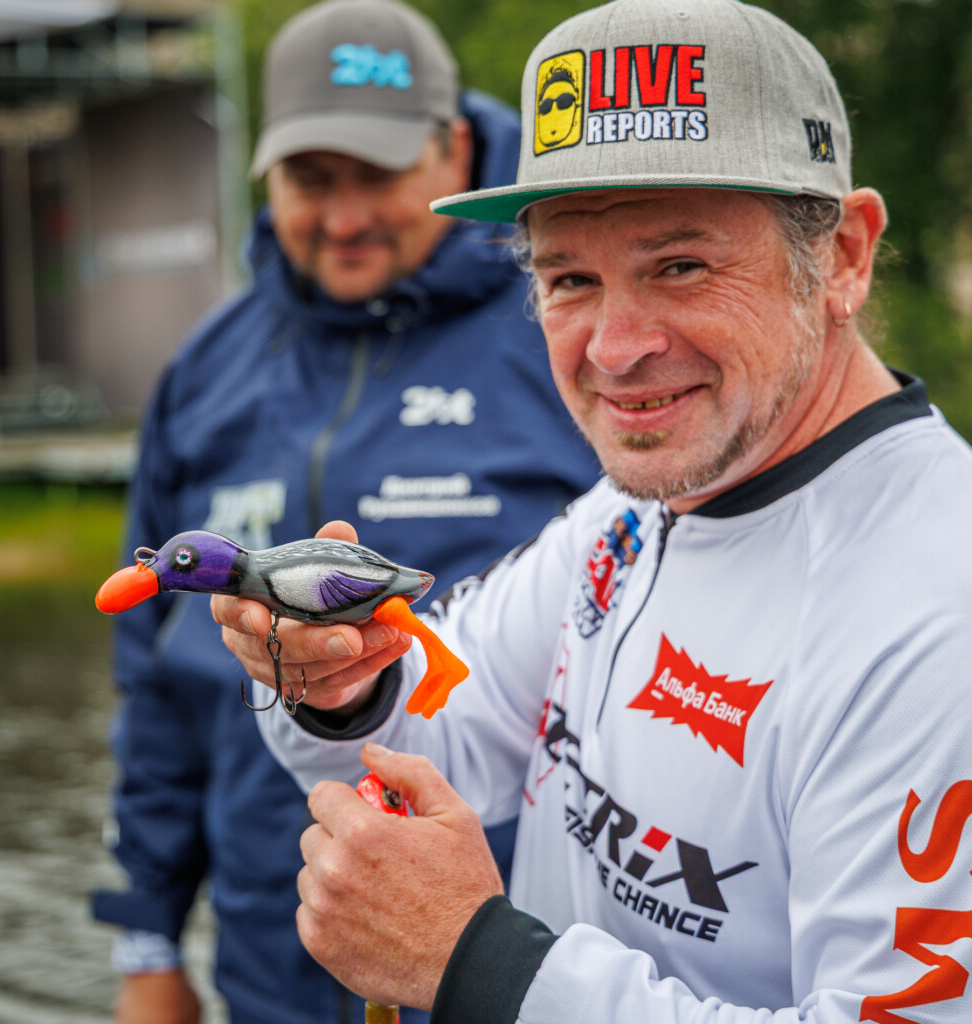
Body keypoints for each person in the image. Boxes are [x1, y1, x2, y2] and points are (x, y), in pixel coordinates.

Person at [214, 1, 972, 1022]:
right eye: (569, 277)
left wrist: (479, 965)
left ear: (842, 255)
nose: (614, 348)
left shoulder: (938, 619)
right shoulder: (638, 503)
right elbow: (440, 734)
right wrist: (338, 681)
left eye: (680, 266)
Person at [90, 0, 599, 1021]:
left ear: (454, 151)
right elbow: (155, 683)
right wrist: (146, 941)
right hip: (267, 958)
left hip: (504, 959)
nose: (344, 215)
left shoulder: (569, 333)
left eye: (376, 174)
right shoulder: (205, 371)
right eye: (311, 180)